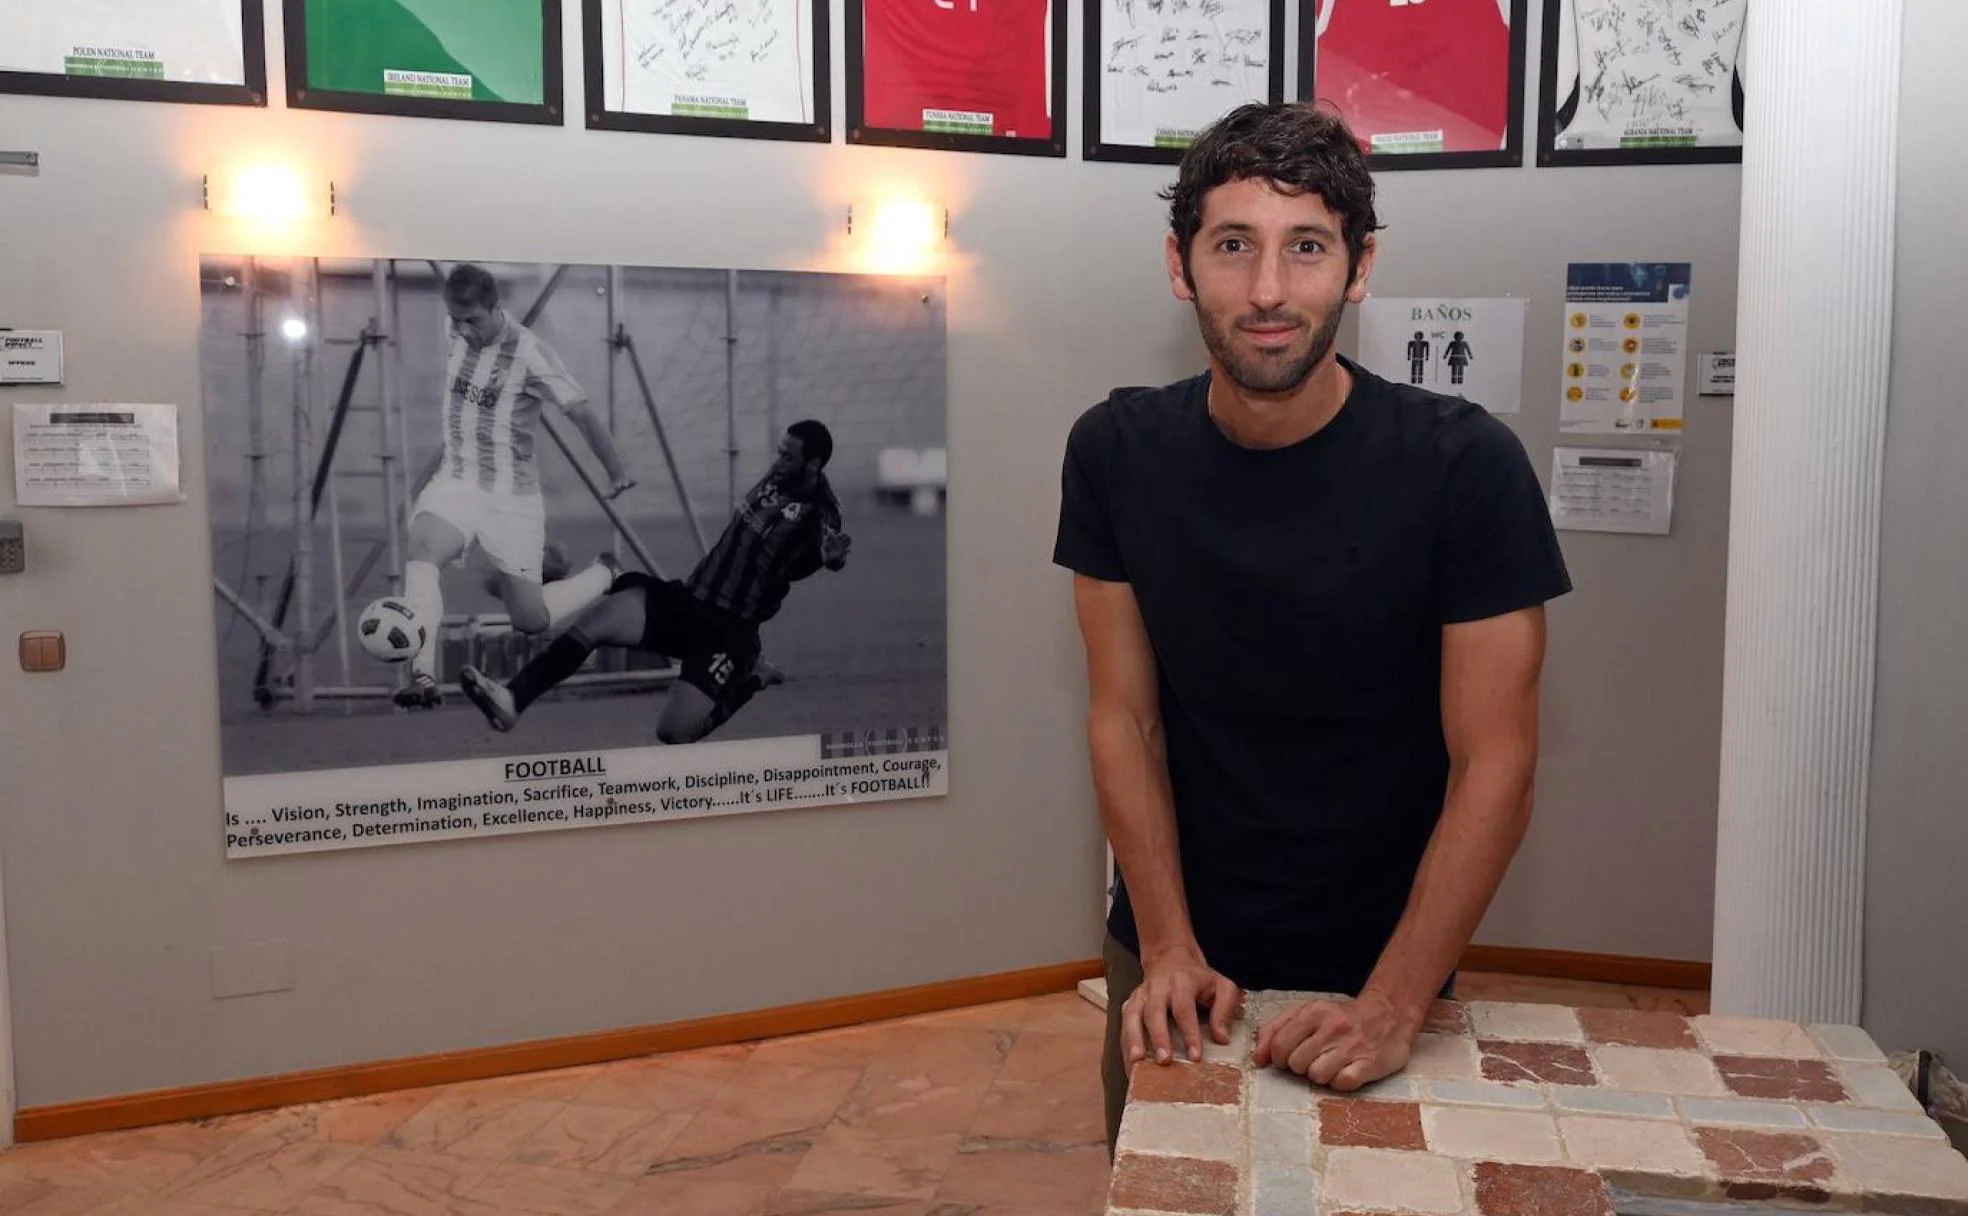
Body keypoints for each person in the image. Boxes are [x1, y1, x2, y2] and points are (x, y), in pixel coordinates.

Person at [1051, 101, 1571, 1156]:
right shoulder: (1114, 452)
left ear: (1359, 264)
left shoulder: (1463, 467)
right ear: (1179, 262)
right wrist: (1164, 947)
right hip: (1172, 943)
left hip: (1386, 953)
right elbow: (1124, 720)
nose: (1270, 291)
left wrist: (1393, 1001)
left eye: (1307, 247)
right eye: (1234, 245)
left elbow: (1497, 766)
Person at [457, 420, 851, 744]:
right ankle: (513, 698)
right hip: (687, 601)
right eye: (779, 451)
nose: (778, 459)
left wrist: (827, 559)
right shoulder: (778, 478)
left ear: (813, 465)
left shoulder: (820, 512)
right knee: (597, 621)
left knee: (674, 732)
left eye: (788, 455)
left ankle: (753, 678)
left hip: (729, 632)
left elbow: (819, 554)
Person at [395, 263, 637, 709]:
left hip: (512, 498)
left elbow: (580, 412)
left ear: (496, 307)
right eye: (456, 321)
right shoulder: (457, 332)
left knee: (530, 619)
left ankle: (607, 573)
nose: (464, 331)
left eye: (474, 321)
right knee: (422, 552)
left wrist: (615, 469)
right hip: (457, 481)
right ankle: (422, 676)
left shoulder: (531, 354)